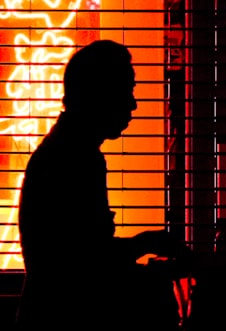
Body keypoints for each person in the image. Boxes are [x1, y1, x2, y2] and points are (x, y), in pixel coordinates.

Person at [15, 39, 188, 330]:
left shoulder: (67, 151)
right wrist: (145, 250)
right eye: (126, 90)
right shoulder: (75, 159)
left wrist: (143, 247)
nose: (133, 103)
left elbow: (81, 254)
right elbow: (83, 266)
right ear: (99, 93)